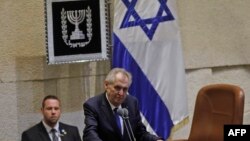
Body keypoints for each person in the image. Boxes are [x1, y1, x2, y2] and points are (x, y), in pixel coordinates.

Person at [83, 68, 164, 141]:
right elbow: (90, 135)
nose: (121, 93)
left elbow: (140, 132)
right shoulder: (93, 105)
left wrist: (156, 140)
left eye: (125, 89)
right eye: (117, 88)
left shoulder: (132, 102)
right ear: (106, 85)